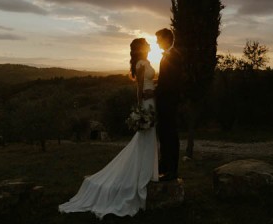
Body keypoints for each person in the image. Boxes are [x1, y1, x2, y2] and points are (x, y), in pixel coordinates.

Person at [58, 38, 158, 219]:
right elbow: (139, 88)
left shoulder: (145, 62)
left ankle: (147, 172)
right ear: (141, 48)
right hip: (147, 103)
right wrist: (141, 110)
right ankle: (142, 174)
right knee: (145, 138)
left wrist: (155, 91)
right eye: (147, 44)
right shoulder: (141, 63)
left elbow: (148, 84)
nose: (150, 46)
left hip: (151, 102)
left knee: (147, 138)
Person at [154, 28, 182, 181]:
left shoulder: (174, 56)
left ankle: (171, 170)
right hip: (166, 101)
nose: (157, 42)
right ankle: (165, 167)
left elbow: (170, 83)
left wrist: (154, 91)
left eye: (158, 39)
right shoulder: (169, 55)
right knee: (164, 134)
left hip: (169, 102)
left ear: (166, 39)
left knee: (169, 135)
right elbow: (165, 79)